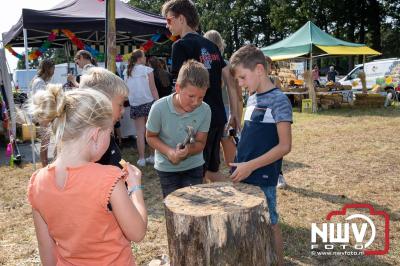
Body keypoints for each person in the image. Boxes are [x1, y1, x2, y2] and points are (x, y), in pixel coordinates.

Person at [28, 85, 147, 265]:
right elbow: (137, 232)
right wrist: (135, 187)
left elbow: (47, 252)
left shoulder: (37, 183)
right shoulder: (109, 179)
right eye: (110, 132)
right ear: (96, 134)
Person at [162, 0, 239, 182]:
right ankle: (234, 200)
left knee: (198, 173)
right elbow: (229, 79)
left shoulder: (180, 46)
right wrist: (234, 113)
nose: (167, 25)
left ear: (181, 18)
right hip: (218, 116)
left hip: (196, 119)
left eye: (169, 20)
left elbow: (179, 89)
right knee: (210, 171)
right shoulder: (212, 46)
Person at [229, 45, 293, 266]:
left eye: (242, 77)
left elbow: (284, 146)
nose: (240, 84)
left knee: (270, 222)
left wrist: (251, 165)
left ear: (259, 70)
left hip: (263, 175)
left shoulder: (279, 100)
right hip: (244, 173)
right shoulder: (253, 98)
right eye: (238, 79)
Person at [146, 60, 211, 198]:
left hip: (194, 167)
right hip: (167, 169)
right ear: (178, 88)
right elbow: (150, 136)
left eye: (201, 97)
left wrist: (188, 151)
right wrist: (169, 152)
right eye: (191, 96)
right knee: (173, 209)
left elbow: (200, 143)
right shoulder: (159, 108)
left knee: (195, 207)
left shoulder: (205, 110)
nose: (196, 103)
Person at [204, 29, 243, 168]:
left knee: (212, 145)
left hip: (213, 108)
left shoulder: (206, 65)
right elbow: (238, 92)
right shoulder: (226, 63)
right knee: (227, 140)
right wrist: (237, 110)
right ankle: (235, 171)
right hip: (227, 107)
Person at [79, 67, 128, 168]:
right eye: (120, 104)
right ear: (102, 104)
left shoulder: (105, 135)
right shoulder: (96, 145)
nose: (123, 111)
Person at [124, 49, 159, 167]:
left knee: (140, 132)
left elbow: (126, 90)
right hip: (149, 103)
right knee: (150, 131)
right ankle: (153, 156)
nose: (145, 58)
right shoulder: (147, 70)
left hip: (135, 104)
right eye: (144, 56)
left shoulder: (126, 72)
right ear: (140, 58)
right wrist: (158, 102)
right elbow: (153, 88)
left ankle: (142, 159)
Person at [30, 59, 55, 167]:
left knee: (46, 142)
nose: (54, 71)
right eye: (53, 68)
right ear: (48, 69)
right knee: (45, 143)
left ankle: (45, 165)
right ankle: (44, 167)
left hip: (44, 115)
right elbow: (41, 100)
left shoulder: (40, 81)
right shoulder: (39, 82)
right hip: (42, 115)